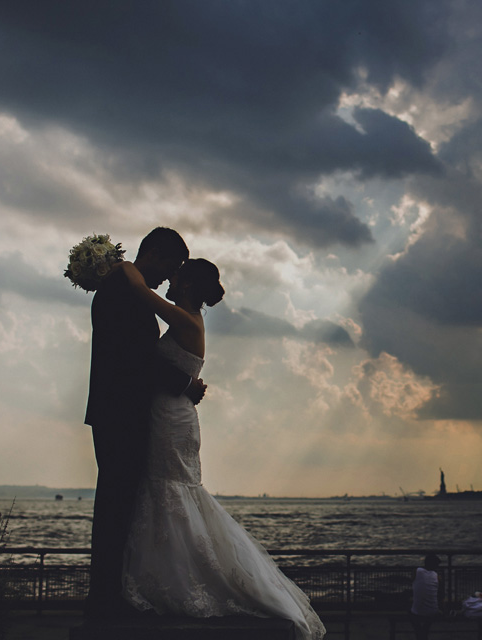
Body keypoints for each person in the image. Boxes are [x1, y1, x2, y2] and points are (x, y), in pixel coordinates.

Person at [114, 258, 325, 640]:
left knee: (172, 491)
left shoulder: (184, 318)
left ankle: (185, 577)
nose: (171, 279)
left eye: (177, 275)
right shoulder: (188, 319)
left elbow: (140, 292)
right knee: (172, 493)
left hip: (173, 418)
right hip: (173, 413)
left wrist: (121, 263)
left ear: (189, 286)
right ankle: (172, 572)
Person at [84, 227, 208, 618]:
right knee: (116, 505)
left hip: (120, 411)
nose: (169, 278)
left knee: (121, 504)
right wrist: (184, 383)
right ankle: (107, 599)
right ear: (153, 254)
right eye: (169, 267)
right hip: (121, 412)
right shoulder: (123, 290)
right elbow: (134, 356)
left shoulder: (122, 288)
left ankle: (112, 592)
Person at [410, 554, 442, 639]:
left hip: (418, 612)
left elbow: (411, 582)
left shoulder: (417, 571)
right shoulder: (437, 577)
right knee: (429, 616)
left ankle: (420, 634)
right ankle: (423, 634)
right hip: (433, 611)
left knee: (411, 612)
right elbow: (440, 594)